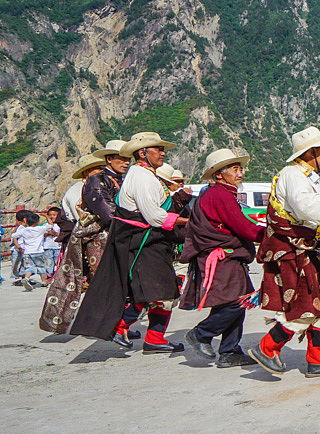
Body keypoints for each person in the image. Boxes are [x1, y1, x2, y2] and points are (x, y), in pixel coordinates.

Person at [247, 126, 320, 378]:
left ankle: (319, 359)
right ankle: (267, 348)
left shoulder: (306, 176)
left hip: (305, 250)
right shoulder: (293, 175)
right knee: (305, 307)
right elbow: (307, 209)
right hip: (294, 252)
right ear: (311, 152)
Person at [71, 132, 190, 353]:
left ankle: (153, 337)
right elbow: (154, 217)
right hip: (145, 243)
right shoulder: (142, 178)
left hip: (149, 242)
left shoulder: (142, 175)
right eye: (157, 149)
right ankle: (121, 327)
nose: (163, 153)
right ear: (142, 153)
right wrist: (190, 222)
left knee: (157, 291)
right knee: (153, 291)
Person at [180, 149, 264, 369]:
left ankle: (229, 351)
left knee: (235, 301)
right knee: (236, 302)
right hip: (222, 257)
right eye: (235, 169)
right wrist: (268, 236)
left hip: (226, 256)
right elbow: (241, 226)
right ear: (219, 174)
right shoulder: (220, 194)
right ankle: (201, 334)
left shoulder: (217, 193)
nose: (240, 174)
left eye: (240, 169)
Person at [39, 153, 108, 334]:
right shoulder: (79, 190)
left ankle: (97, 322)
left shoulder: (91, 188)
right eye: (98, 169)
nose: (102, 172)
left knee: (91, 283)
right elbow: (83, 219)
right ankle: (94, 323)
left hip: (91, 241)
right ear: (86, 172)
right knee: (86, 283)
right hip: (84, 243)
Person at [11, 211, 55, 290]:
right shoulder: (40, 229)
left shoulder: (23, 230)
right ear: (38, 222)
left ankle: (26, 278)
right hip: (38, 252)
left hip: (27, 253)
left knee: (29, 267)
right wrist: (46, 216)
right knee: (40, 266)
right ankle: (43, 281)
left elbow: (13, 235)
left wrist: (19, 227)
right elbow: (51, 225)